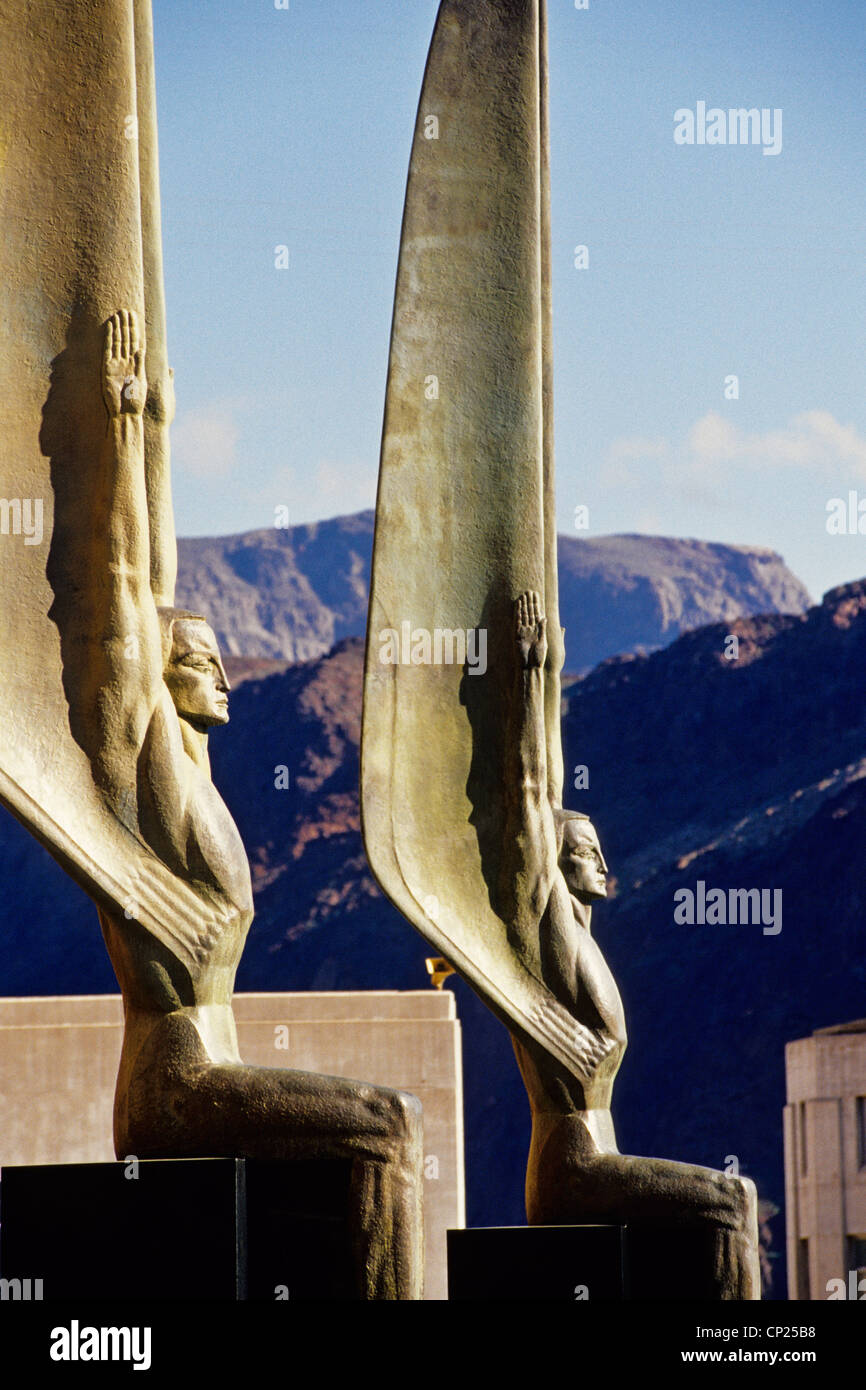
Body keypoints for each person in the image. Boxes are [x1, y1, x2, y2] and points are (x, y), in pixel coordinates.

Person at [91, 310, 423, 1299]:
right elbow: (127, 590)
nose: (223, 671)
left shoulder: (200, 783)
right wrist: (127, 434)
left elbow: (162, 585)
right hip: (174, 1084)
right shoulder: (143, 769)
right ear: (158, 674)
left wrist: (159, 430)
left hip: (209, 1069)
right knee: (388, 1121)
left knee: (386, 1123)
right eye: (196, 659)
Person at [504, 590, 759, 1298]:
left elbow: (548, 789)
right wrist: (530, 678)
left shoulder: (584, 947)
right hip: (572, 1168)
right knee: (733, 1202)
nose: (603, 864)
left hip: (596, 1154)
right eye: (585, 851)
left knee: (728, 1202)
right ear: (553, 867)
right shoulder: (547, 931)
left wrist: (551, 677)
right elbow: (531, 793)